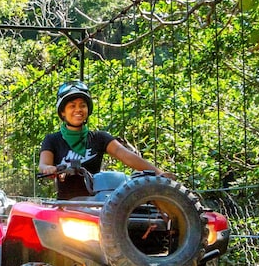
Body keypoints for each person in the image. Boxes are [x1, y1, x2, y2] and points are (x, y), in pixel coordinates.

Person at [39, 80, 173, 199]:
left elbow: (126, 155)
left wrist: (159, 174)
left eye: (82, 105)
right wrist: (49, 169)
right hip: (67, 205)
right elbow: (43, 164)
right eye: (72, 106)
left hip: (97, 203)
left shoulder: (99, 138)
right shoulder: (53, 139)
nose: (78, 109)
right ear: (62, 112)